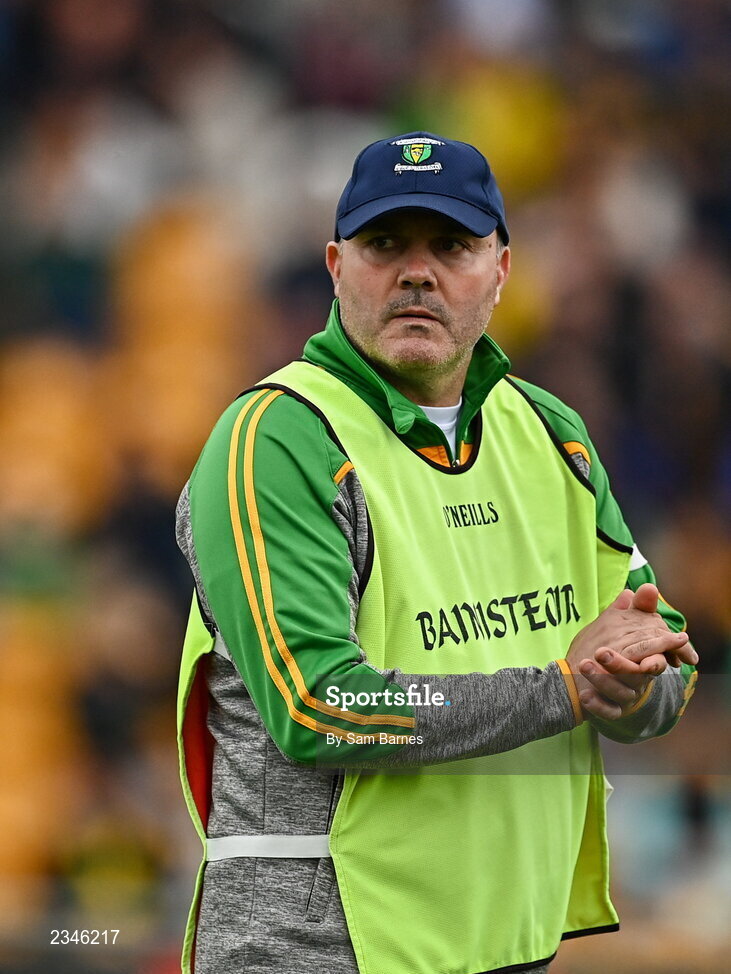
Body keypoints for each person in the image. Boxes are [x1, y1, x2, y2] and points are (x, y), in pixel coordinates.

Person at [175, 131, 698, 974]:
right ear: (336, 265)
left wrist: (631, 685)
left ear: (500, 270)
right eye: (385, 244)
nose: (416, 272)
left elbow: (659, 659)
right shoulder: (278, 436)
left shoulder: (550, 432)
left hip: (510, 942)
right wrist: (564, 690)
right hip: (320, 950)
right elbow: (317, 705)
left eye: (451, 246)